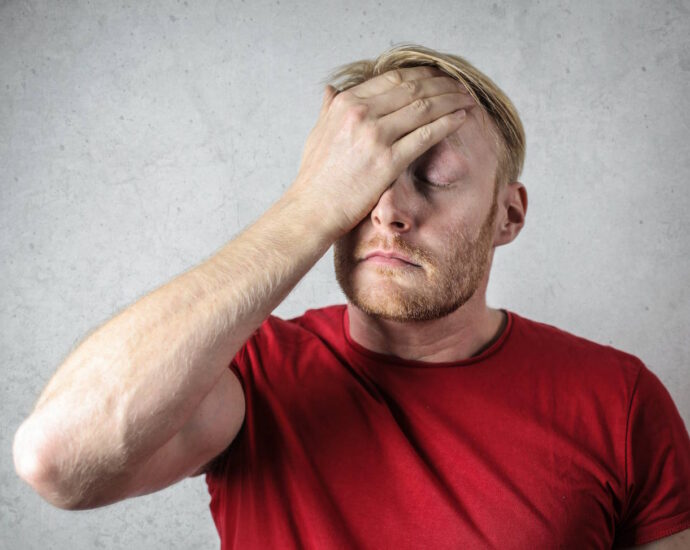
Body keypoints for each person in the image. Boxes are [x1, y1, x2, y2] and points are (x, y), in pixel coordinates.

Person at [12, 44, 690, 549]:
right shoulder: (251, 374)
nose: (387, 210)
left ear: (507, 217)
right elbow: (57, 461)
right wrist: (308, 207)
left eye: (432, 174)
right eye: (362, 180)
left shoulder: (619, 398)